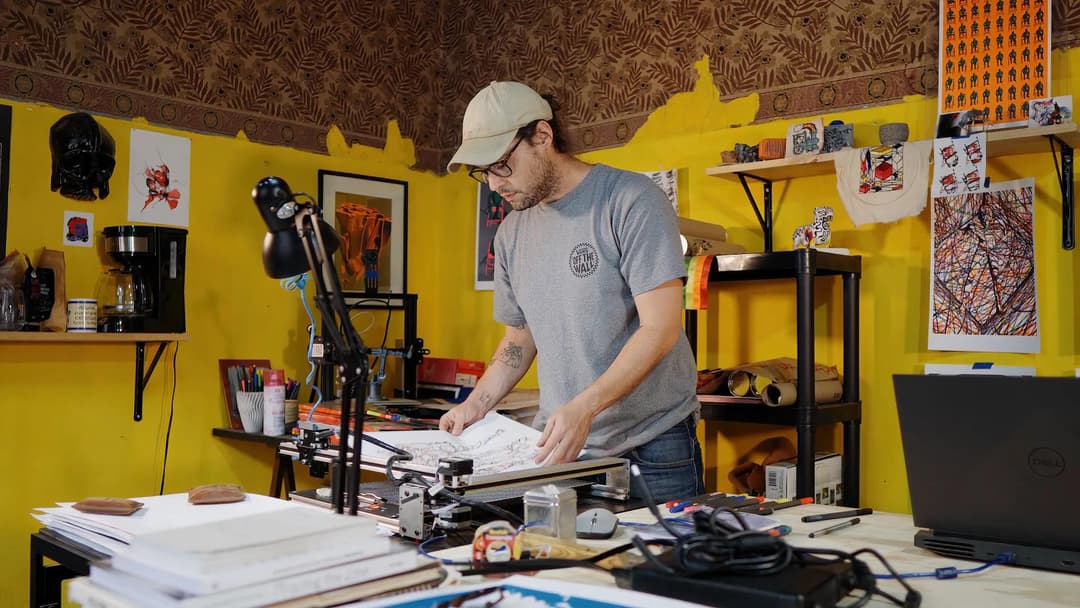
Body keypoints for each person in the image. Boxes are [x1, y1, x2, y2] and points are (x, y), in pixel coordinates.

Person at [440, 81, 704, 503]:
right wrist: (478, 403)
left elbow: (661, 327)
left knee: (665, 568)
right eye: (483, 171)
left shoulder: (631, 200)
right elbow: (518, 338)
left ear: (542, 136)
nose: (493, 184)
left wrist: (585, 407)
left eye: (501, 165)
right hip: (563, 451)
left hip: (653, 448)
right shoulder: (511, 234)